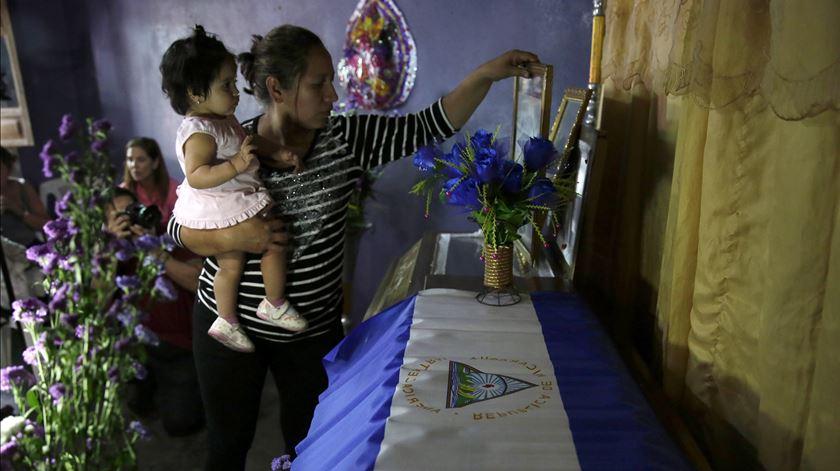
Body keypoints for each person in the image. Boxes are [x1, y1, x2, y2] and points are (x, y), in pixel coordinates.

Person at [165, 23, 539, 470]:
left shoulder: (347, 138)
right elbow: (178, 228)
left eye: (332, 82)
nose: (333, 96)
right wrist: (235, 238)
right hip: (228, 326)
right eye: (318, 83)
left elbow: (430, 124)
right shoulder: (235, 145)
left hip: (308, 330)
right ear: (276, 88)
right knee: (227, 446)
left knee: (314, 445)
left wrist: (485, 74)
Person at [159, 26, 308, 353]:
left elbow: (249, 142)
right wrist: (236, 167)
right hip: (222, 205)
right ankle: (266, 304)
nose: (236, 92)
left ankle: (231, 319)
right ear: (197, 94)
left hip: (233, 201)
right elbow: (196, 175)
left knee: (239, 261)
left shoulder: (223, 120)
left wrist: (277, 152)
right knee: (266, 247)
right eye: (226, 85)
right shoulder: (199, 132)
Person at [105, 187, 205, 436]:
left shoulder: (168, 234)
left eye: (133, 210)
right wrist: (109, 249)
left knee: (181, 424)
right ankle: (148, 387)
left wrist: (156, 252)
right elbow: (95, 301)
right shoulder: (107, 251)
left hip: (180, 345)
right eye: (121, 216)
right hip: (135, 344)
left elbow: (198, 281)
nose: (131, 218)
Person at [120, 137, 179, 231]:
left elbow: (180, 228)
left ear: (155, 163)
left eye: (141, 160)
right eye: (130, 159)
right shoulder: (123, 192)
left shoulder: (173, 189)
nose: (134, 165)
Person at [0, 147, 50, 247]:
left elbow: (46, 225)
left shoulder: (22, 187)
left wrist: (19, 211)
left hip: (28, 249)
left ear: (9, 170)